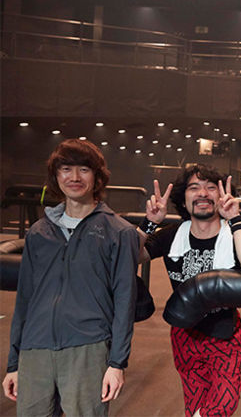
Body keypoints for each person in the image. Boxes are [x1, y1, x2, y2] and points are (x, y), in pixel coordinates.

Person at [2, 139, 139, 416]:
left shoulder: (119, 232)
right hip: (35, 348)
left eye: (84, 169)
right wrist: (14, 363)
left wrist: (117, 363)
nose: (74, 177)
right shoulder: (39, 232)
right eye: (66, 169)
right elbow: (25, 299)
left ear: (97, 177)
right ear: (56, 176)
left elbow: (125, 301)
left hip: (88, 348)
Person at [138, 164, 241, 417]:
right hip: (184, 331)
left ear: (221, 196)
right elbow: (128, 256)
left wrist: (235, 218)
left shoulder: (235, 233)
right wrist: (149, 224)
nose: (203, 193)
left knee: (224, 403)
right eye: (194, 188)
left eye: (211, 188)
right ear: (183, 198)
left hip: (224, 331)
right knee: (195, 403)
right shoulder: (172, 235)